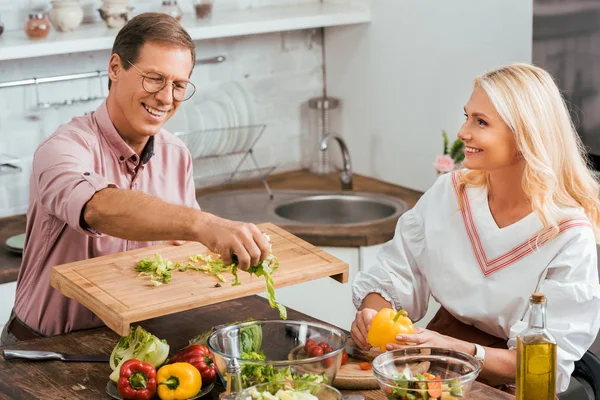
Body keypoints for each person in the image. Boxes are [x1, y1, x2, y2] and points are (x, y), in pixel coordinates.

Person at [0, 13, 270, 345]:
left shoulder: (177, 154)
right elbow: (97, 207)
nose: (166, 98)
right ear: (115, 68)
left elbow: (181, 252)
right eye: (154, 78)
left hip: (142, 346)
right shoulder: (62, 148)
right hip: (43, 348)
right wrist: (202, 224)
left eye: (178, 85)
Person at [351, 63, 600, 393]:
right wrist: (373, 312)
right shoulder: (450, 192)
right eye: (467, 116)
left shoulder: (568, 234)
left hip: (515, 383)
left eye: (480, 122)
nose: (462, 132)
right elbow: (398, 272)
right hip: (439, 366)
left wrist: (454, 349)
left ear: (525, 136)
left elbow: (541, 365)